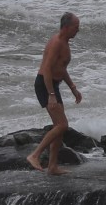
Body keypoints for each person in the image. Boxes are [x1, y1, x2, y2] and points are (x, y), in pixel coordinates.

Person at [26, 12, 83, 175]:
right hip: (45, 84)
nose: (78, 31)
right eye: (76, 27)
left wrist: (72, 87)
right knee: (62, 125)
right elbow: (47, 70)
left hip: (52, 85)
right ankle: (35, 155)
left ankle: (52, 167)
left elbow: (61, 68)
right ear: (66, 27)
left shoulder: (65, 41)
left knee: (60, 127)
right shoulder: (57, 43)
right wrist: (51, 94)